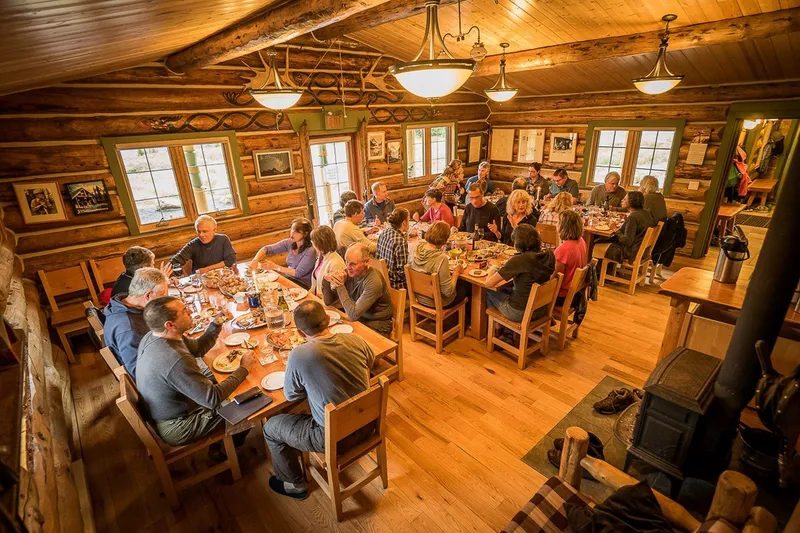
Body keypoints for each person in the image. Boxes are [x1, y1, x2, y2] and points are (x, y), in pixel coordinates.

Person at [262, 300, 376, 500]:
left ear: (299, 333)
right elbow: (371, 360)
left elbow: (291, 396)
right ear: (329, 320)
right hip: (368, 423)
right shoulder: (355, 340)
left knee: (271, 427)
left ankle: (294, 485)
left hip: (334, 439)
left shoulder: (299, 355)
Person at [136, 296, 255, 446]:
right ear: (170, 325)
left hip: (176, 407)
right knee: (251, 403)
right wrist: (243, 368)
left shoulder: (157, 336)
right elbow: (212, 399)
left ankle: (226, 443)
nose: (191, 311)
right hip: (178, 425)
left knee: (224, 379)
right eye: (184, 311)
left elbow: (198, 348)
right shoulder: (174, 359)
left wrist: (216, 324)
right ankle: (224, 451)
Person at [104, 268, 169, 380]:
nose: (165, 299)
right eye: (162, 294)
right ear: (148, 296)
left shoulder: (125, 302)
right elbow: (139, 372)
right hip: (159, 379)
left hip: (159, 352)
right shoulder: (129, 329)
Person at [485, 224, 555, 322]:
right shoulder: (549, 254)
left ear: (518, 243)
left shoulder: (520, 260)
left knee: (487, 291)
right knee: (507, 289)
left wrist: (493, 268)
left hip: (520, 312)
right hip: (541, 308)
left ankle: (498, 330)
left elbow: (488, 284)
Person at [326, 243, 393, 336]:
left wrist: (340, 286)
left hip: (378, 325)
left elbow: (353, 315)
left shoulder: (374, 282)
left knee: (341, 343)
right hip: (360, 318)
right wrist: (328, 280)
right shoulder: (351, 273)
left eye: (353, 264)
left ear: (367, 262)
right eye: (346, 262)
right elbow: (328, 301)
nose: (348, 267)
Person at [409, 221, 469, 308]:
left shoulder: (415, 248)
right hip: (438, 303)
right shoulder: (441, 258)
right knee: (467, 285)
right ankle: (465, 320)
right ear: (444, 240)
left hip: (419, 298)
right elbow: (448, 292)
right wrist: (456, 272)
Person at [251, 218, 317, 288]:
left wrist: (275, 267)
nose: (292, 233)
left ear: (306, 234)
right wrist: (255, 259)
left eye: (296, 231)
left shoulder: (311, 250)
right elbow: (267, 249)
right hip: (288, 278)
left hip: (302, 284)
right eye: (292, 229)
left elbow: (298, 273)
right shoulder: (289, 242)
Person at [593, 191, 655, 264]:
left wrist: (615, 229)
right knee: (601, 240)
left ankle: (596, 272)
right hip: (643, 251)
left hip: (630, 252)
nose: (622, 200)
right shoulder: (645, 212)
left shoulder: (633, 217)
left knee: (594, 244)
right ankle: (608, 269)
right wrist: (626, 220)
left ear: (632, 202)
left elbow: (627, 241)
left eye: (625, 199)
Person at [170, 215, 236, 275]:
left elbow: (230, 260)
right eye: (198, 231)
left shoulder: (223, 239)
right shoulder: (193, 245)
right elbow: (175, 261)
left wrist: (206, 269)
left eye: (205, 231)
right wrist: (168, 276)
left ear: (214, 230)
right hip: (200, 280)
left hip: (221, 276)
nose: (201, 235)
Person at [554, 210, 587, 305]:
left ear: (563, 227)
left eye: (558, 222)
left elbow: (555, 279)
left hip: (562, 296)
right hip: (576, 293)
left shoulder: (563, 250)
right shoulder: (581, 241)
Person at [309, 225, 345, 306]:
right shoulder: (322, 257)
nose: (312, 245)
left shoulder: (336, 263)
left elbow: (334, 297)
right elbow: (314, 284)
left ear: (321, 244)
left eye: (313, 243)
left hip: (329, 306)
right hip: (317, 299)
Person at [376, 208, 409, 290]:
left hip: (382, 278)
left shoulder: (384, 232)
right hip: (396, 285)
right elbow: (402, 273)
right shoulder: (400, 242)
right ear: (404, 222)